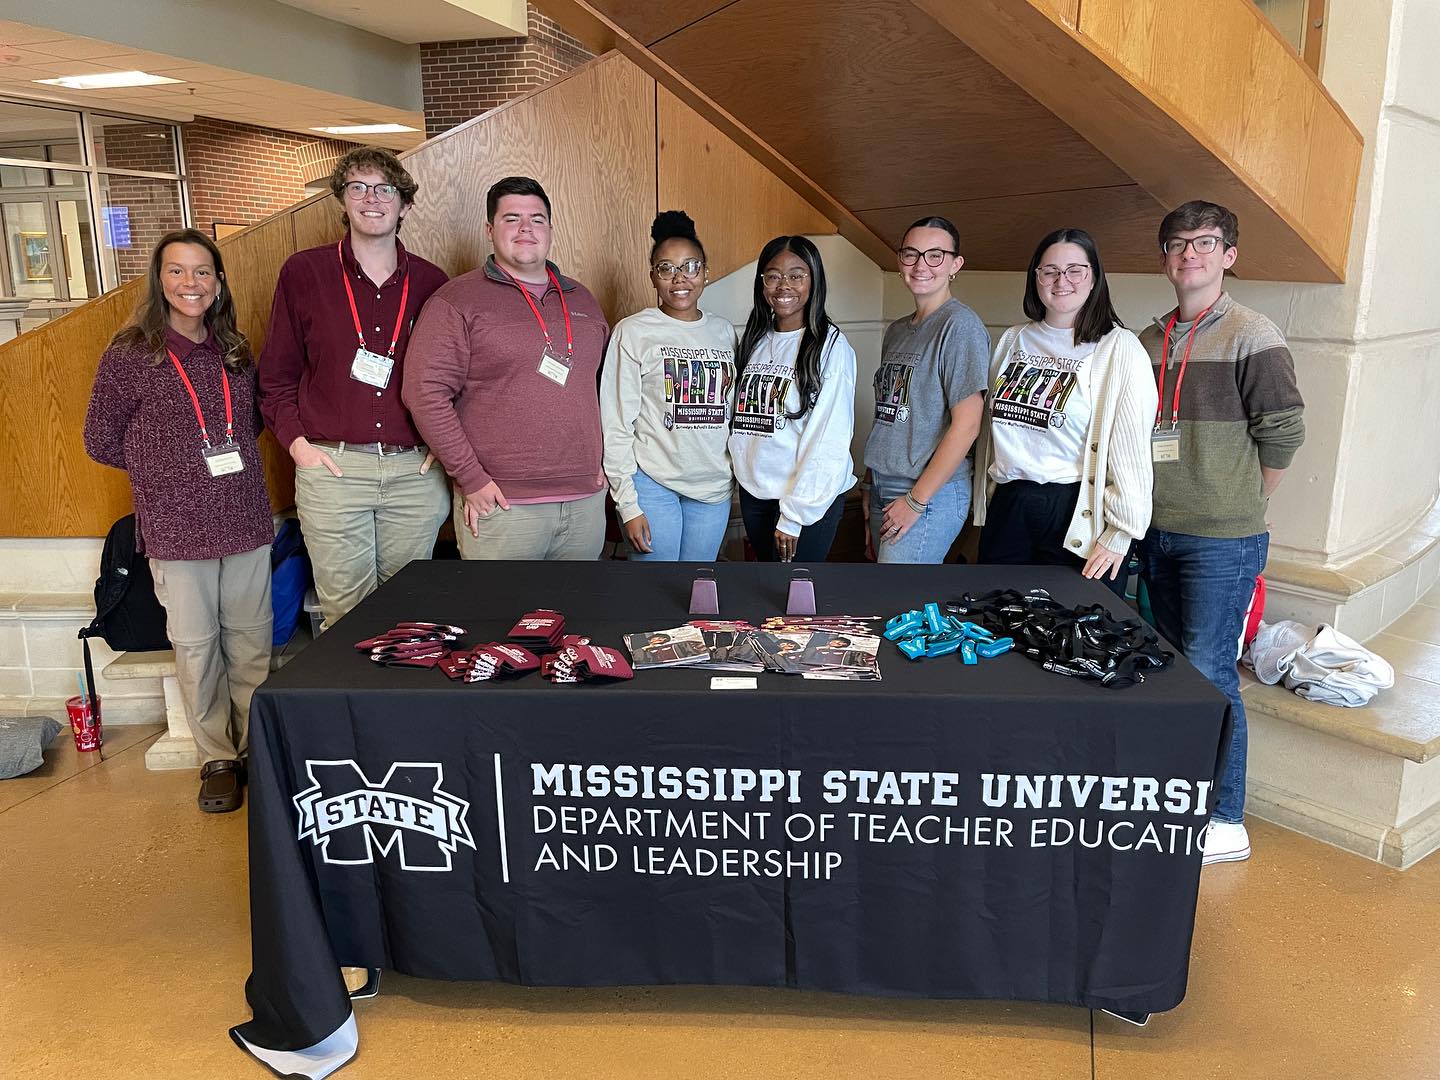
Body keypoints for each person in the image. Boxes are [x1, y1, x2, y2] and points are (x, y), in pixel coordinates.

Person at [1137, 200, 1305, 866]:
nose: (1190, 255)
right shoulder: (1149, 341)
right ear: (1164, 258)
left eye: (1205, 243)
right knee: (1175, 671)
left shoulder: (1252, 333)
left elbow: (1283, 431)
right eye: (1178, 244)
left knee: (1211, 673)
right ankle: (1181, 794)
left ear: (1229, 255)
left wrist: (1240, 504)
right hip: (1156, 534)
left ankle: (1226, 815)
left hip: (1222, 542)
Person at [84, 230, 272, 814]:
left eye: (203, 273)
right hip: (176, 527)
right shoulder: (132, 354)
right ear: (159, 281)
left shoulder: (235, 350)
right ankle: (217, 755)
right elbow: (100, 439)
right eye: (177, 272)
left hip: (243, 517)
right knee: (196, 645)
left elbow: (253, 427)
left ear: (218, 283)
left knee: (251, 645)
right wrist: (164, 474)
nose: (191, 284)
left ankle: (258, 751)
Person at [259, 146, 449, 630]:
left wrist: (441, 446)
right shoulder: (304, 272)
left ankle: (403, 707)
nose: (371, 198)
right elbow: (276, 376)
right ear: (342, 201)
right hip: (335, 469)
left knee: (414, 616)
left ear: (404, 205)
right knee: (345, 617)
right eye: (357, 188)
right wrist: (299, 447)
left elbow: (455, 377)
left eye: (385, 189)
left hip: (414, 473)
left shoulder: (433, 283)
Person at [403, 176, 610, 560]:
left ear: (550, 229)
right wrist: (471, 478)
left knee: (579, 618)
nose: (526, 229)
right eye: (512, 218)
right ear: (489, 229)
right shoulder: (457, 300)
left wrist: (603, 466)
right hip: (502, 502)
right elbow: (424, 393)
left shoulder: (583, 299)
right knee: (502, 620)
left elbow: (605, 390)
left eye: (537, 219)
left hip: (585, 499)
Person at [972, 228, 1157, 597]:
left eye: (1075, 269)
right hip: (1011, 504)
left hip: (1076, 510)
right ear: (1035, 278)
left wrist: (1121, 533)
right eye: (1050, 271)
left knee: (1073, 633)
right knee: (996, 622)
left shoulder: (1119, 348)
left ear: (1094, 278)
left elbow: (1132, 450)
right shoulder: (1012, 339)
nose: (1062, 281)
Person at [601, 210, 736, 561]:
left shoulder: (725, 333)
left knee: (695, 591)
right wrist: (628, 504)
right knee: (654, 591)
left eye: (691, 266)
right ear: (653, 277)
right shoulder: (633, 332)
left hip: (713, 488)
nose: (680, 278)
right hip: (652, 483)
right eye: (666, 268)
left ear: (706, 272)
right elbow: (616, 422)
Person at [861, 216, 990, 563]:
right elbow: (889, 414)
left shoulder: (960, 327)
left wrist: (917, 500)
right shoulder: (898, 330)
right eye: (911, 254)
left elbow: (968, 425)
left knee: (895, 603)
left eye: (935, 255)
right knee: (886, 598)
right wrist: (868, 484)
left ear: (955, 265)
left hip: (928, 493)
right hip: (883, 486)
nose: (921, 265)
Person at [728, 236, 856, 562]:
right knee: (766, 592)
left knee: (792, 600)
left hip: (807, 502)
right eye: (772, 276)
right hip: (757, 495)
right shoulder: (755, 339)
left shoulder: (831, 347)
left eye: (797, 275)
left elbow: (830, 440)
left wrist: (795, 515)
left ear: (814, 281)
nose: (783, 285)